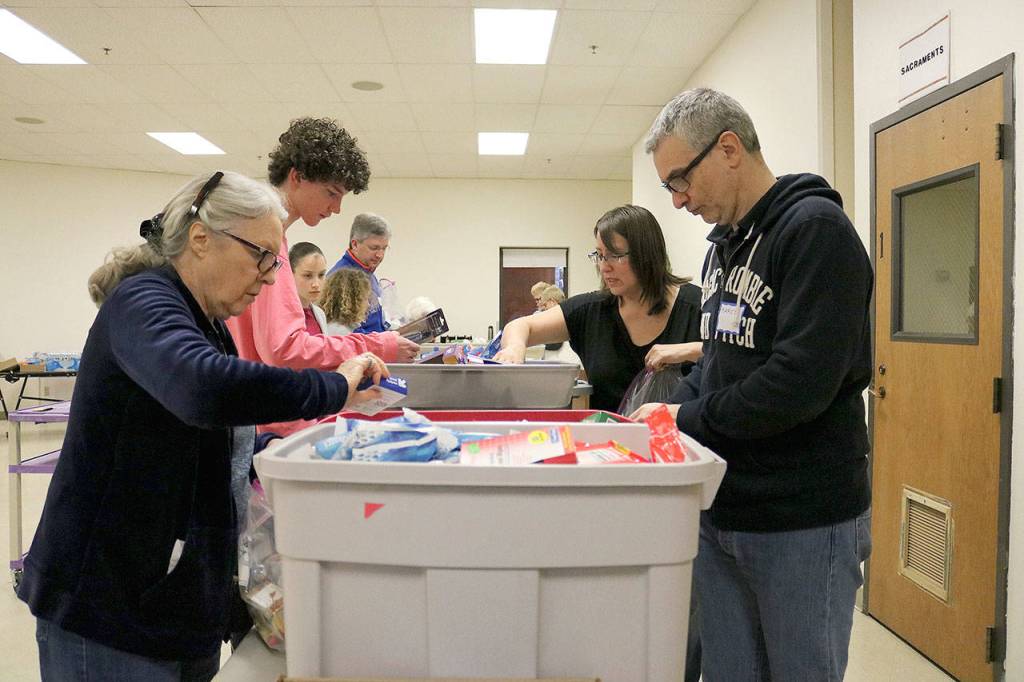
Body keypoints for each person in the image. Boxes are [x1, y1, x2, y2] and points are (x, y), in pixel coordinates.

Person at [17, 171, 390, 682]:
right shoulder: (143, 303)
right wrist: (333, 387)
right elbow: (203, 389)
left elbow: (197, 436)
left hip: (177, 607)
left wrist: (282, 447)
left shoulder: (207, 322)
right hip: (110, 612)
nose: (268, 275)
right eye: (262, 256)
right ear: (200, 239)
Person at [636, 87, 873, 681]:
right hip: (725, 511)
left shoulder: (816, 231)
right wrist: (662, 418)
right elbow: (717, 366)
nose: (679, 199)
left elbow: (796, 384)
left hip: (801, 520)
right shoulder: (723, 251)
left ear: (729, 148)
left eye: (679, 181)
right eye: (670, 187)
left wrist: (680, 422)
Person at [226, 118, 418, 437]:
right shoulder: (266, 245)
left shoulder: (267, 239)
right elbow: (285, 349)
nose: (337, 208)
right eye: (331, 193)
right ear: (297, 177)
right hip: (271, 424)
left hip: (264, 416)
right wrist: (379, 346)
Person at [494, 205, 703, 413]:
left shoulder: (698, 307)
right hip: (610, 443)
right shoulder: (591, 311)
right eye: (600, 255)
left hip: (681, 442)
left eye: (616, 255)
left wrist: (691, 350)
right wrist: (514, 348)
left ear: (646, 255)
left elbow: (731, 362)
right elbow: (520, 326)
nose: (604, 267)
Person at [327, 213, 392, 333]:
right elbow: (345, 334)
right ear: (355, 244)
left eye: (384, 248)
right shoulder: (341, 280)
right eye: (374, 248)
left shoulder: (369, 273)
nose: (380, 255)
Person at [289, 241, 328, 335]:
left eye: (321, 275)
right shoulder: (281, 315)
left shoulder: (320, 314)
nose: (316, 284)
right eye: (307, 275)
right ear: (290, 274)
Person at [320, 267, 372, 336]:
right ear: (352, 301)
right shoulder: (341, 332)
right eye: (365, 299)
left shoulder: (347, 328)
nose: (368, 305)